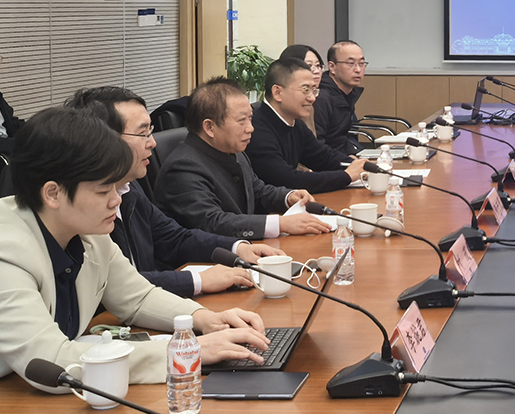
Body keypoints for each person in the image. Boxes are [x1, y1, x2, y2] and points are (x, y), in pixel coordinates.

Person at [0, 107, 270, 414]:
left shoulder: (84, 230)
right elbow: (54, 364)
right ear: (53, 193)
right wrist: (187, 353)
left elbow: (137, 297)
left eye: (118, 187)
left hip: (11, 410)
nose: (116, 201)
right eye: (104, 190)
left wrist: (204, 321)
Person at [69, 87, 287, 296]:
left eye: (151, 132)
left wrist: (236, 248)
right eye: (143, 134)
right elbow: (116, 285)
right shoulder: (80, 207)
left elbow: (174, 238)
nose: (152, 143)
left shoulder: (129, 187)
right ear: (104, 141)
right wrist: (198, 280)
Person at [154, 77, 330, 240]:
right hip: (205, 259)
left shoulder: (233, 150)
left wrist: (288, 196)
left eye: (250, 118)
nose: (250, 128)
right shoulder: (182, 168)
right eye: (242, 120)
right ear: (209, 127)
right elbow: (213, 223)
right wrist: (280, 223)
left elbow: (257, 191)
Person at [247, 58, 366, 193]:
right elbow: (287, 179)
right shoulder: (255, 128)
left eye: (314, 90)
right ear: (277, 92)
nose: (312, 98)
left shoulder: (295, 122)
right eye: (305, 89)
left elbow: (322, 156)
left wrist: (360, 166)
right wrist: (346, 176)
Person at [314, 40, 365, 159]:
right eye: (350, 63)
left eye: (362, 63)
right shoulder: (321, 97)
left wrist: (353, 155)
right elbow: (318, 145)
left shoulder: (348, 93)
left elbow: (340, 139)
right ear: (332, 67)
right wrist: (346, 160)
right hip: (327, 163)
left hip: (340, 156)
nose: (358, 69)